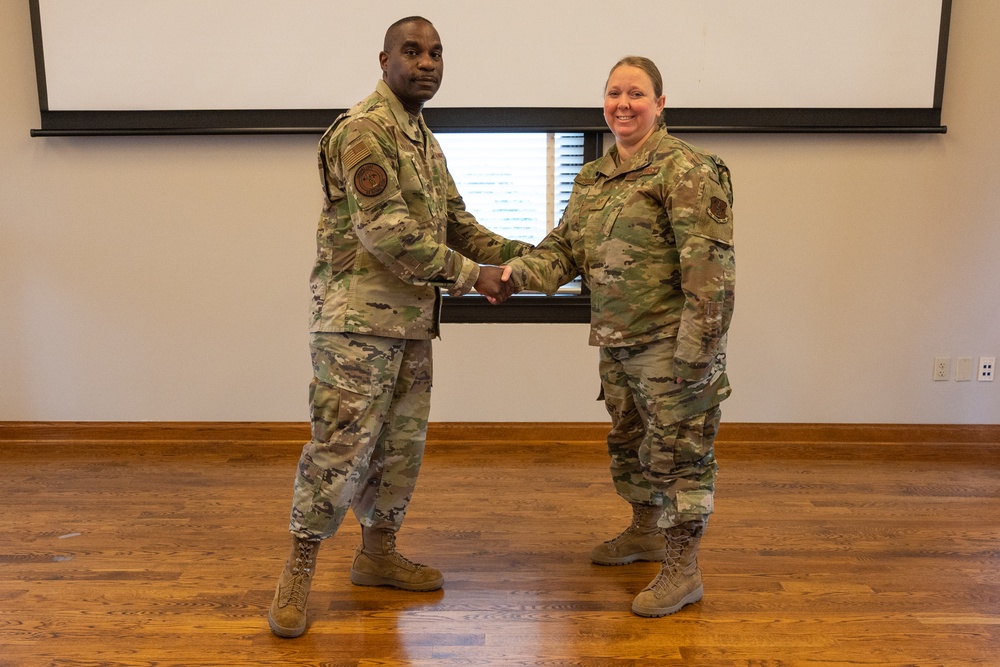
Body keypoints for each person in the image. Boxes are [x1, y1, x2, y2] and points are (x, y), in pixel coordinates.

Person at [268, 16, 531, 638]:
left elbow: (458, 224)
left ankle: (377, 555)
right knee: (338, 450)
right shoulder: (365, 131)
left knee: (399, 448)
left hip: (410, 324)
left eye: (437, 53)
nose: (427, 63)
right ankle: (297, 574)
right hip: (357, 325)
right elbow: (385, 234)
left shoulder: (422, 139)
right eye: (412, 52)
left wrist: (533, 258)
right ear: (383, 59)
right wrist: (476, 276)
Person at [502, 56, 735, 617]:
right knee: (631, 443)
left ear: (660, 104)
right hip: (617, 344)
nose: (622, 104)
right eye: (613, 93)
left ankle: (683, 569)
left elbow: (711, 275)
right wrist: (510, 276)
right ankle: (644, 533)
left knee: (681, 454)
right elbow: (563, 252)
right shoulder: (593, 177)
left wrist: (696, 358)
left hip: (671, 348)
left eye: (636, 93)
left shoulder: (687, 170)